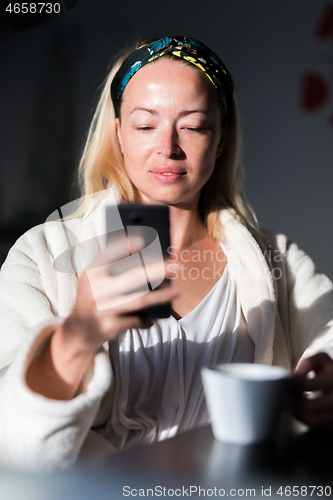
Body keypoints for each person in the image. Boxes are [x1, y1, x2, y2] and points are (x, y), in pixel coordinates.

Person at [1, 36, 333, 471]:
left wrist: (324, 379)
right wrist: (75, 337)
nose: (169, 148)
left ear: (219, 139)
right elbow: (11, 445)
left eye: (193, 126)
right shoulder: (42, 255)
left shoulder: (276, 258)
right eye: (145, 126)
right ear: (118, 134)